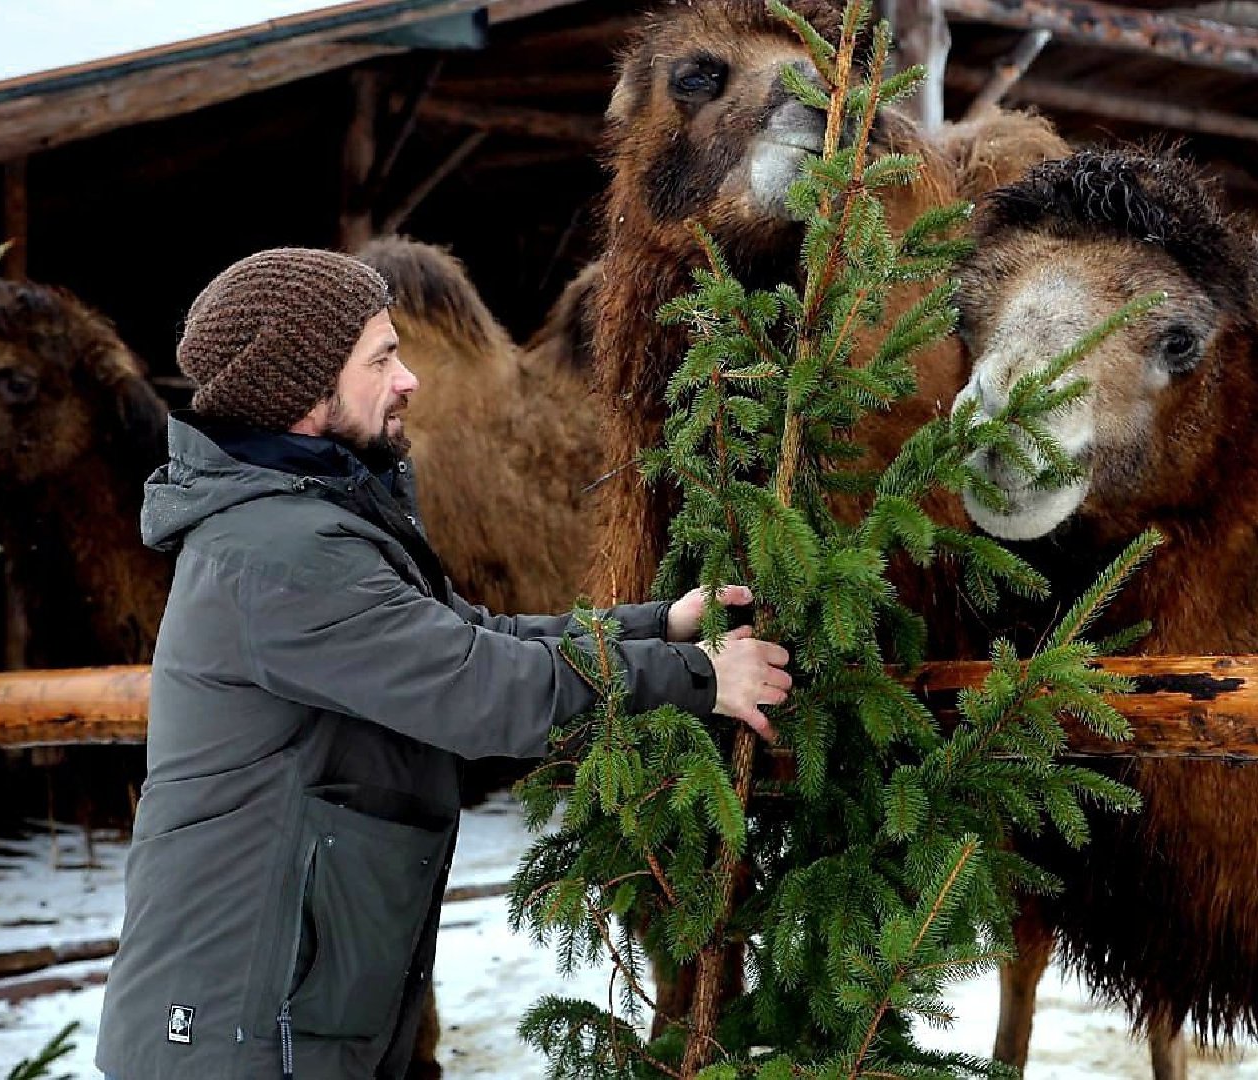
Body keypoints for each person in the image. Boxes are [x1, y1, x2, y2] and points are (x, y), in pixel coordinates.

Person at [94, 248, 792, 1078]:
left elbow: (473, 636)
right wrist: (699, 679)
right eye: (380, 359)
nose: (409, 380)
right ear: (305, 392)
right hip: (241, 1024)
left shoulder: (314, 520)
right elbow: (478, 689)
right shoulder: (281, 552)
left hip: (288, 996)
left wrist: (657, 627)